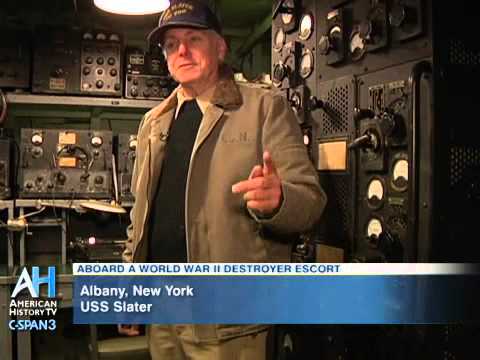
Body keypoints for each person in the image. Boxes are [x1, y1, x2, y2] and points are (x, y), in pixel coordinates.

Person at [119, 0, 327, 359]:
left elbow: (310, 202)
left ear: (220, 46)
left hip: (229, 321)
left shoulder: (264, 108)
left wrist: (278, 201)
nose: (181, 50)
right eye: (171, 44)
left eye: (193, 39)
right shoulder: (154, 121)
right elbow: (142, 215)